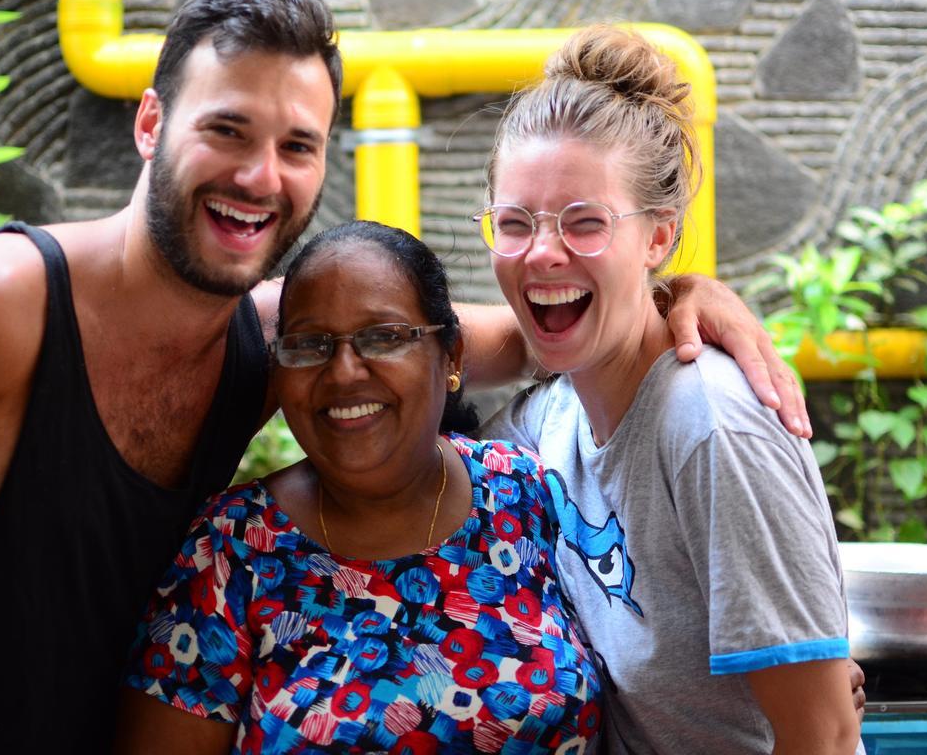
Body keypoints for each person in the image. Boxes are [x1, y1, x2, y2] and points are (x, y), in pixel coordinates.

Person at [0, 0, 803, 751]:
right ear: (149, 123)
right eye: (228, 128)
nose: (260, 174)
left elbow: (530, 329)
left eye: (297, 145)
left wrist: (674, 293)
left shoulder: (264, 342)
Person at [473, 24, 861, 754]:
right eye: (515, 224)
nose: (543, 252)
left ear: (658, 237)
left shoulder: (711, 429)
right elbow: (390, 351)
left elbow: (826, 736)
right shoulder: (550, 422)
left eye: (585, 224)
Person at [117, 221, 602, 754]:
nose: (344, 372)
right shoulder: (229, 551)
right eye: (309, 345)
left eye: (384, 337)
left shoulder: (525, 492)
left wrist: (680, 296)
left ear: (453, 357)